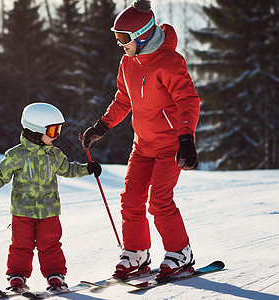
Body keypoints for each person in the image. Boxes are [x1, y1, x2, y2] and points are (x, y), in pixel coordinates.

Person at [81, 0, 200, 279]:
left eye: (123, 38)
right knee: (131, 200)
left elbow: (188, 101)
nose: (120, 44)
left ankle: (180, 252)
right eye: (116, 37)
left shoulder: (170, 62)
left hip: (170, 145)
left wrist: (186, 139)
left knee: (159, 201)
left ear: (143, 35)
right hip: (142, 144)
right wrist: (102, 126)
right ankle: (136, 252)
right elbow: (123, 99)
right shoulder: (128, 62)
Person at [0, 102, 102, 292]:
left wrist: (87, 169)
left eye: (59, 130)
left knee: (50, 245)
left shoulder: (55, 154)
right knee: (20, 246)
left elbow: (68, 169)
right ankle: (17, 277)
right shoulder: (17, 155)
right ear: (34, 131)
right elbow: (0, 175)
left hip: (49, 211)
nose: (56, 136)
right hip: (22, 212)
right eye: (53, 130)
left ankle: (55, 276)